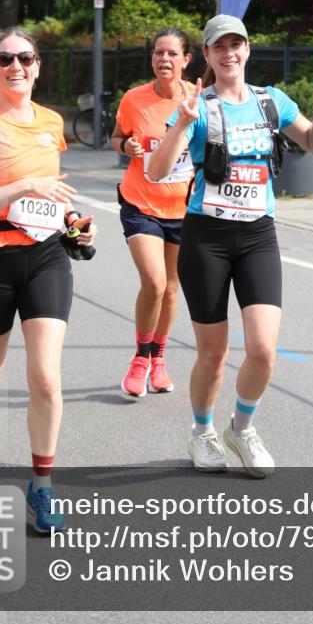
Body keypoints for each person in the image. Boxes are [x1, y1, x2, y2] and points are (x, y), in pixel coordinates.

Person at [148, 15, 313, 478]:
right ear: (209, 56)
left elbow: (312, 143)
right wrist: (182, 125)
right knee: (212, 352)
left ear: (248, 50)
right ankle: (201, 432)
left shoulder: (270, 101)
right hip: (206, 236)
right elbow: (155, 171)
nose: (229, 53)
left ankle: (243, 427)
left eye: (237, 44)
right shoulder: (199, 106)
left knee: (262, 349)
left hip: (257, 235)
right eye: (219, 47)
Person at [0, 28, 97, 534]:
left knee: (47, 377)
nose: (16, 66)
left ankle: (43, 483)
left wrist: (74, 219)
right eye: (5, 58)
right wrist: (22, 185)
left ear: (37, 66)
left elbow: (50, 197)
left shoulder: (52, 122)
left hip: (45, 256)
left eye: (25, 58)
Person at [111, 28, 194, 399]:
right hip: (141, 203)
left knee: (173, 288)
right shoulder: (134, 99)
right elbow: (117, 137)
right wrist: (125, 145)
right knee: (155, 283)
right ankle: (140, 359)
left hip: (184, 208)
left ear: (186, 59)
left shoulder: (198, 98)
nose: (164, 60)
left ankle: (159, 358)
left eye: (172, 54)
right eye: (159, 53)